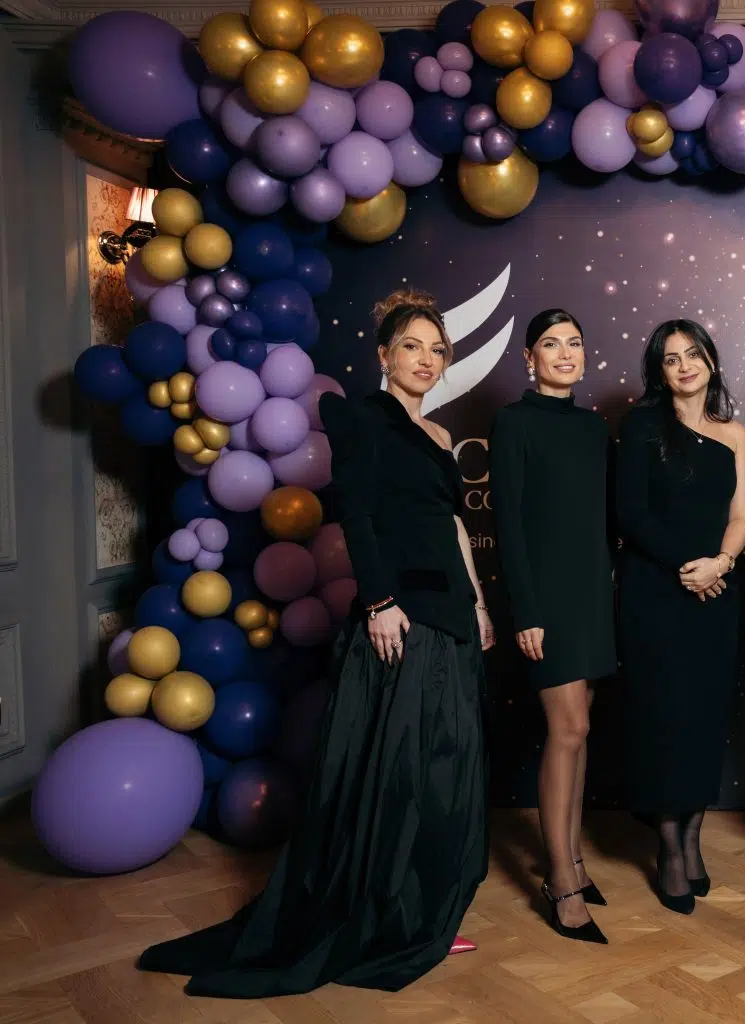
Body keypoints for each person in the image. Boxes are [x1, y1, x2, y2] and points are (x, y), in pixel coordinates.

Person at [137, 290, 495, 997]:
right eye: (413, 346)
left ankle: (422, 910)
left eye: (437, 349)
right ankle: (382, 917)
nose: (426, 359)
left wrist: (479, 602)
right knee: (394, 776)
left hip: (452, 615)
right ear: (384, 355)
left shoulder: (440, 436)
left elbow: (453, 526)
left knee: (442, 771)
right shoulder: (357, 416)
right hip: (401, 616)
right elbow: (356, 511)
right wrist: (380, 602)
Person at [488, 309, 617, 944]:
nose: (565, 353)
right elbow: (508, 526)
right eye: (550, 344)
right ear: (529, 358)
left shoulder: (593, 428)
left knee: (580, 730)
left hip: (591, 597)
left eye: (574, 343)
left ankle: (574, 858)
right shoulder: (513, 422)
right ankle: (559, 878)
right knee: (568, 728)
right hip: (546, 601)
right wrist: (527, 612)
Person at [616, 320, 745, 915]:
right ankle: (669, 847)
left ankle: (694, 835)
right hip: (656, 594)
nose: (685, 366)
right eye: (671, 359)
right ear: (659, 371)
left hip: (716, 593)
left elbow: (740, 517)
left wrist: (720, 563)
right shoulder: (642, 425)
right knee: (662, 718)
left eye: (693, 354)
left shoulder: (734, 433)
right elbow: (632, 514)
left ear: (711, 361)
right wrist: (687, 567)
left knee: (703, 718)